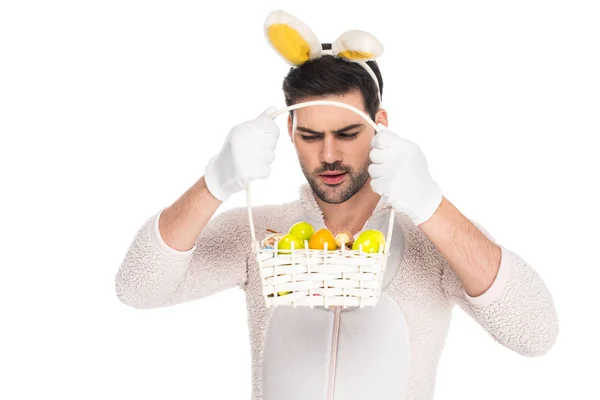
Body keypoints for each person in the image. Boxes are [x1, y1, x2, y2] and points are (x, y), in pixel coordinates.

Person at [115, 10, 558, 400]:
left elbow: (536, 332)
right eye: (310, 136)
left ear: (380, 125)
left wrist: (431, 204)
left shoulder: (432, 239)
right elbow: (137, 287)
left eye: (347, 134)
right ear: (290, 130)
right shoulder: (260, 234)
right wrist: (214, 182)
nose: (328, 155)